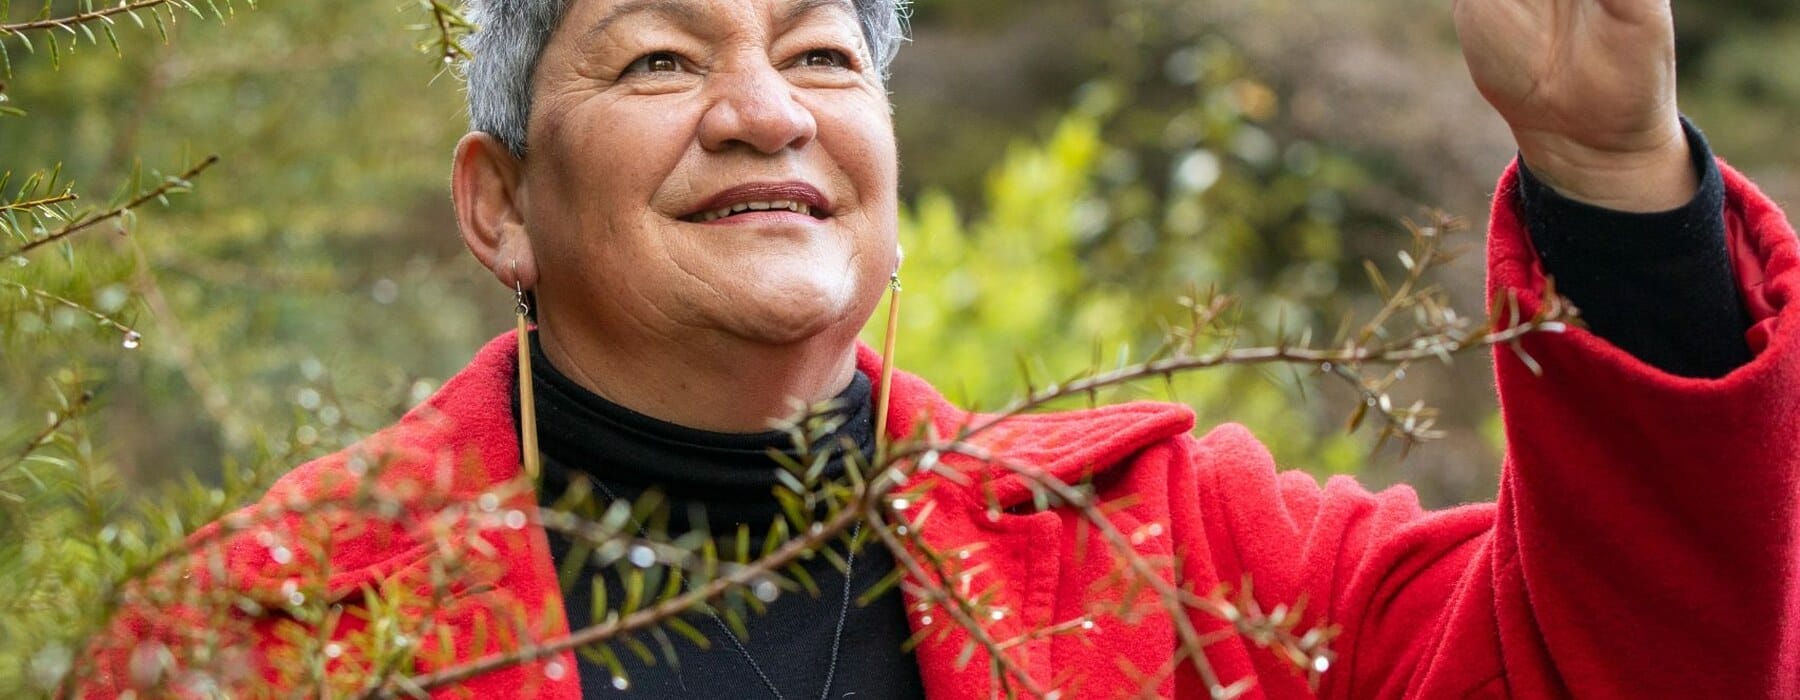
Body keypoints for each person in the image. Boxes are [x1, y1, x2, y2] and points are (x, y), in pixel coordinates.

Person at [84, 0, 1799, 698]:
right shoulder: (263, 627)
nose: (764, 109)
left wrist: (1611, 187)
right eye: (663, 61)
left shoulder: (1170, 551)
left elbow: (1617, 665)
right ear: (498, 206)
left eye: (825, 54)